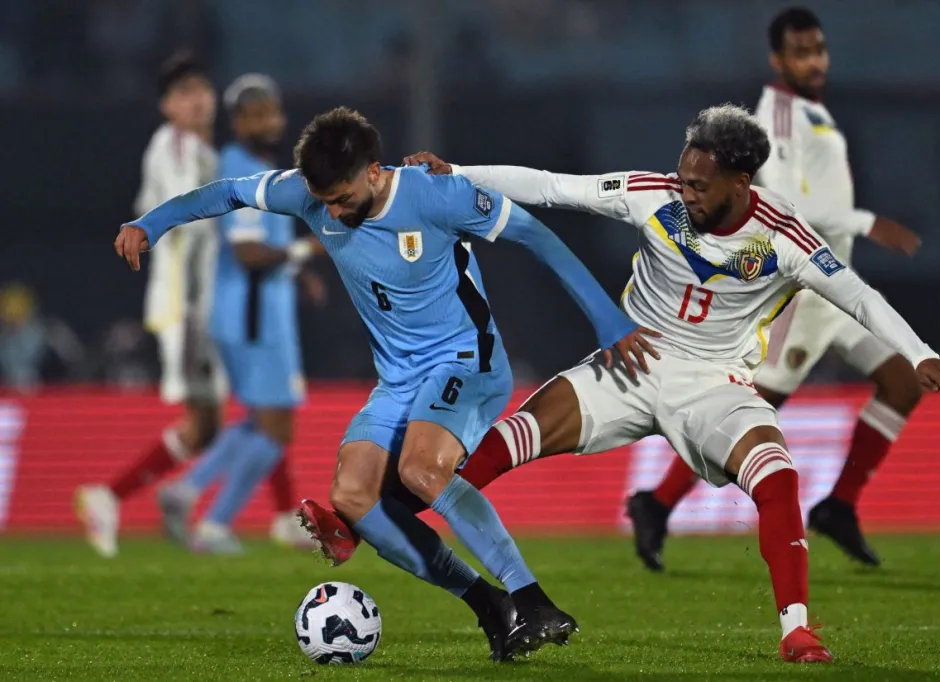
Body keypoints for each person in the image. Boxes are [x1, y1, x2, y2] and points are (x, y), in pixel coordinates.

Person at [380, 105, 940, 663]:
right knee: (510, 437)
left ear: (740, 185)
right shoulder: (652, 193)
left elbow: (858, 296)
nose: (684, 190)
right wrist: (455, 171)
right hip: (633, 361)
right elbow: (550, 184)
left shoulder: (785, 237)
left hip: (716, 383)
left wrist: (919, 354)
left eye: (699, 184)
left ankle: (795, 627)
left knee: (778, 477)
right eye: (683, 177)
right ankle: (373, 519)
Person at [114, 107, 657, 660]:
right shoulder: (307, 193)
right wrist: (149, 224)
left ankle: (533, 600)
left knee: (421, 469)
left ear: (373, 171)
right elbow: (227, 193)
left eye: (342, 198)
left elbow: (535, 235)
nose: (332, 212)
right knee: (351, 497)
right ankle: (490, 609)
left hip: (465, 361)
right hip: (398, 379)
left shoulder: (434, 195)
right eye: (323, 200)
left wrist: (608, 321)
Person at [629, 6, 927, 571]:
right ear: (777, 59)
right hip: (806, 292)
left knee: (902, 381)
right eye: (802, 52)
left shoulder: (813, 112)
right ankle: (657, 501)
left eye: (819, 49)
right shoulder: (780, 115)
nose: (815, 61)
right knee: (756, 407)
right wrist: (865, 221)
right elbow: (789, 204)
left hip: (835, 291)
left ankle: (838, 505)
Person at [75, 53, 309, 557]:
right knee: (240, 412)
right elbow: (196, 211)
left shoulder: (210, 150)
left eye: (202, 89)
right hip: (190, 305)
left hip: (211, 300)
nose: (198, 99)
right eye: (184, 93)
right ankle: (124, 497)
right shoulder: (176, 147)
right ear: (166, 106)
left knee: (237, 413)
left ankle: (268, 512)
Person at [155, 74, 321, 553]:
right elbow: (248, 253)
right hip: (252, 316)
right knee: (278, 426)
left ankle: (186, 491)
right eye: (261, 113)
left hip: (265, 311)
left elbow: (268, 247)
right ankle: (214, 524)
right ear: (240, 119)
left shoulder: (262, 168)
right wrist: (307, 253)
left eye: (275, 111)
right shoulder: (237, 168)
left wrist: (296, 267)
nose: (273, 121)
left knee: (258, 422)